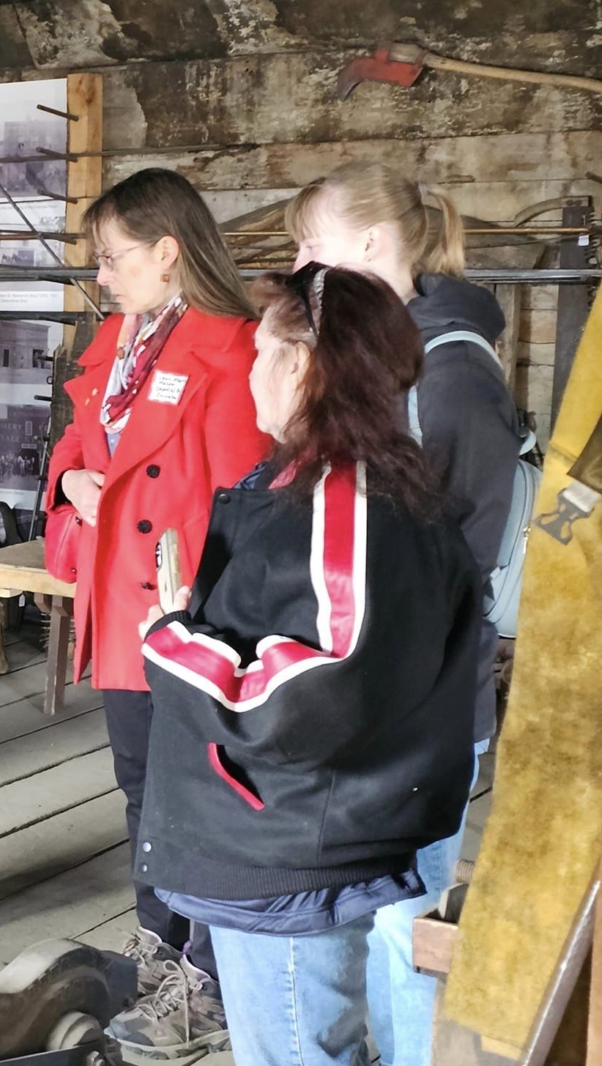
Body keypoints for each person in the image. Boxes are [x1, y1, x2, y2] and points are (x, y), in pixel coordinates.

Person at [136, 264, 483, 1066]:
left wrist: (173, 639)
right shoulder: (332, 481)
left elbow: (318, 685)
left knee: (298, 1053)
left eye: (262, 350)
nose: (251, 368)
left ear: (303, 364)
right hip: (286, 831)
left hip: (290, 851)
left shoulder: (346, 498)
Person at [286, 163, 522, 1066]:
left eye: (314, 243)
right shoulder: (387, 359)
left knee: (400, 924)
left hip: (418, 701)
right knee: (363, 911)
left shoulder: (452, 374)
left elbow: (461, 555)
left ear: (374, 247)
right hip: (367, 686)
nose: (302, 261)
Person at [44, 168, 270, 1055]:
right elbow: (74, 439)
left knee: (205, 795)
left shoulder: (233, 349)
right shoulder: (117, 339)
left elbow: (246, 505)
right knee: (142, 788)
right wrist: (70, 479)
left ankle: (210, 980)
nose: (102, 275)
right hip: (119, 601)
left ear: (168, 253)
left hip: (193, 616)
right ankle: (161, 944)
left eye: (113, 257)